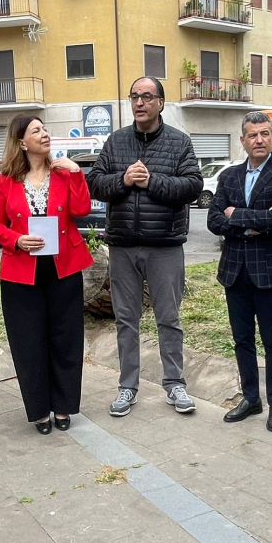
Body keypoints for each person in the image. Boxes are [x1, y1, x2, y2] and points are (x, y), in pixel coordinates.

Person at [86, 77, 204, 417]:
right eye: (135, 96)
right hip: (123, 246)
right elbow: (94, 182)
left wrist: (152, 181)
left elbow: (193, 186)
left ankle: (174, 383)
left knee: (169, 317)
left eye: (147, 96)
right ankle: (127, 387)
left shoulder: (179, 143)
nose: (139, 102)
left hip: (165, 246)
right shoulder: (116, 141)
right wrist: (122, 180)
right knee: (126, 319)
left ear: (160, 103)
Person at [0, 115, 93, 435]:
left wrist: (76, 174)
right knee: (28, 343)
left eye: (45, 129)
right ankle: (38, 410)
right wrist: (16, 239)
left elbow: (82, 209)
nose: (44, 134)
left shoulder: (62, 172)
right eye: (37, 131)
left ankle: (63, 406)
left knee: (66, 340)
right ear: (22, 142)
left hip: (64, 268)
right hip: (21, 272)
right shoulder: (6, 180)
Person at [207, 112, 272, 432]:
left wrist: (237, 216)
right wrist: (253, 222)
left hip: (269, 272)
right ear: (243, 140)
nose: (259, 140)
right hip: (235, 271)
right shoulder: (228, 176)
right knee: (242, 339)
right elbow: (213, 221)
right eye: (253, 135)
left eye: (265, 134)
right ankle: (250, 398)